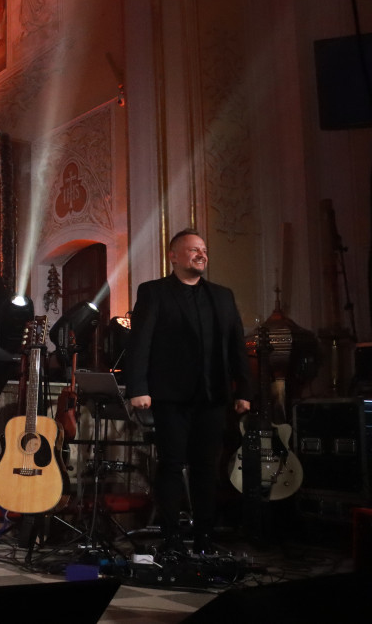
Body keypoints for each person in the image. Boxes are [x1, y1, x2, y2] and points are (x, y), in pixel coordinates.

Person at [126, 228, 251, 554]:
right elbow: (140, 342)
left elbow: (237, 344)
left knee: (207, 469)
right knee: (170, 465)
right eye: (194, 249)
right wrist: (138, 387)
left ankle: (205, 540)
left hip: (212, 396)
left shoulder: (222, 296)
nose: (201, 254)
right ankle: (171, 539)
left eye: (204, 250)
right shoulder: (154, 292)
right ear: (173, 256)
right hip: (170, 396)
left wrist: (245, 390)